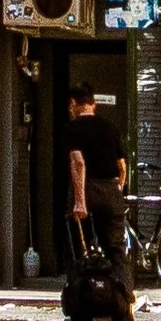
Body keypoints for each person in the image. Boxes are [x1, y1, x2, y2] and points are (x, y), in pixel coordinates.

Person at [66, 83, 130, 301]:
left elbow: (78, 163)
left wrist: (80, 201)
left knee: (79, 249)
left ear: (74, 104)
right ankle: (123, 297)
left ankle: (83, 297)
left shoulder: (73, 128)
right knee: (116, 249)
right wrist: (118, 187)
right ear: (93, 104)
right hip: (111, 189)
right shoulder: (110, 127)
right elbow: (122, 165)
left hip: (87, 189)